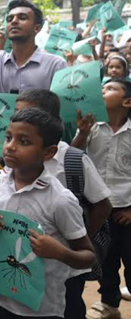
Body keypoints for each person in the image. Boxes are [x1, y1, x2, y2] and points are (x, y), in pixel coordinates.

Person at [13, 90, 112, 319]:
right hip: (28, 258)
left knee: (69, 305)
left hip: (65, 262)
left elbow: (103, 204)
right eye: (16, 113)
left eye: (26, 113)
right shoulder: (15, 159)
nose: (18, 119)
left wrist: (76, 241)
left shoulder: (72, 160)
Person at [0, 108, 96, 318]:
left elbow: (88, 257)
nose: (10, 147)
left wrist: (60, 252)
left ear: (48, 152)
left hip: (41, 309)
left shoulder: (60, 200)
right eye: (9, 137)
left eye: (24, 142)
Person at [72, 78, 131, 319]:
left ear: (127, 101)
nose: (102, 91)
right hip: (99, 209)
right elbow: (74, 154)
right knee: (105, 259)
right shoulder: (91, 126)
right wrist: (82, 133)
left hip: (127, 209)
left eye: (110, 88)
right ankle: (109, 303)